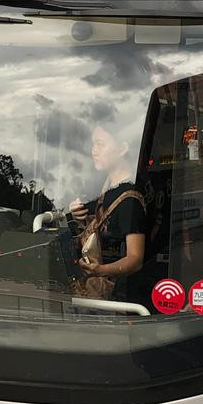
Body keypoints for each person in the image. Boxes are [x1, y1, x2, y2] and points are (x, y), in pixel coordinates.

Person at [69, 124, 147, 299]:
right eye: (93, 144)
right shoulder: (104, 187)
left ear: (123, 149)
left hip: (119, 295)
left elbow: (135, 259)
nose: (93, 150)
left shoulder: (130, 199)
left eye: (100, 144)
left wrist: (100, 270)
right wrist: (75, 213)